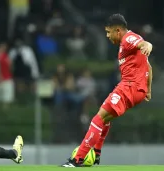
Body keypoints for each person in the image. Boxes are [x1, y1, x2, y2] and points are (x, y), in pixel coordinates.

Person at [62, 13, 153, 167]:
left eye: (108, 32)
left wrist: (147, 45)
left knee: (97, 119)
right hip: (138, 90)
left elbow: (146, 45)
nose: (107, 35)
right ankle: (96, 154)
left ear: (118, 30)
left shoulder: (127, 39)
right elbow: (148, 66)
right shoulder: (128, 41)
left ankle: (77, 159)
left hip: (129, 87)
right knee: (105, 118)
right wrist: (148, 90)